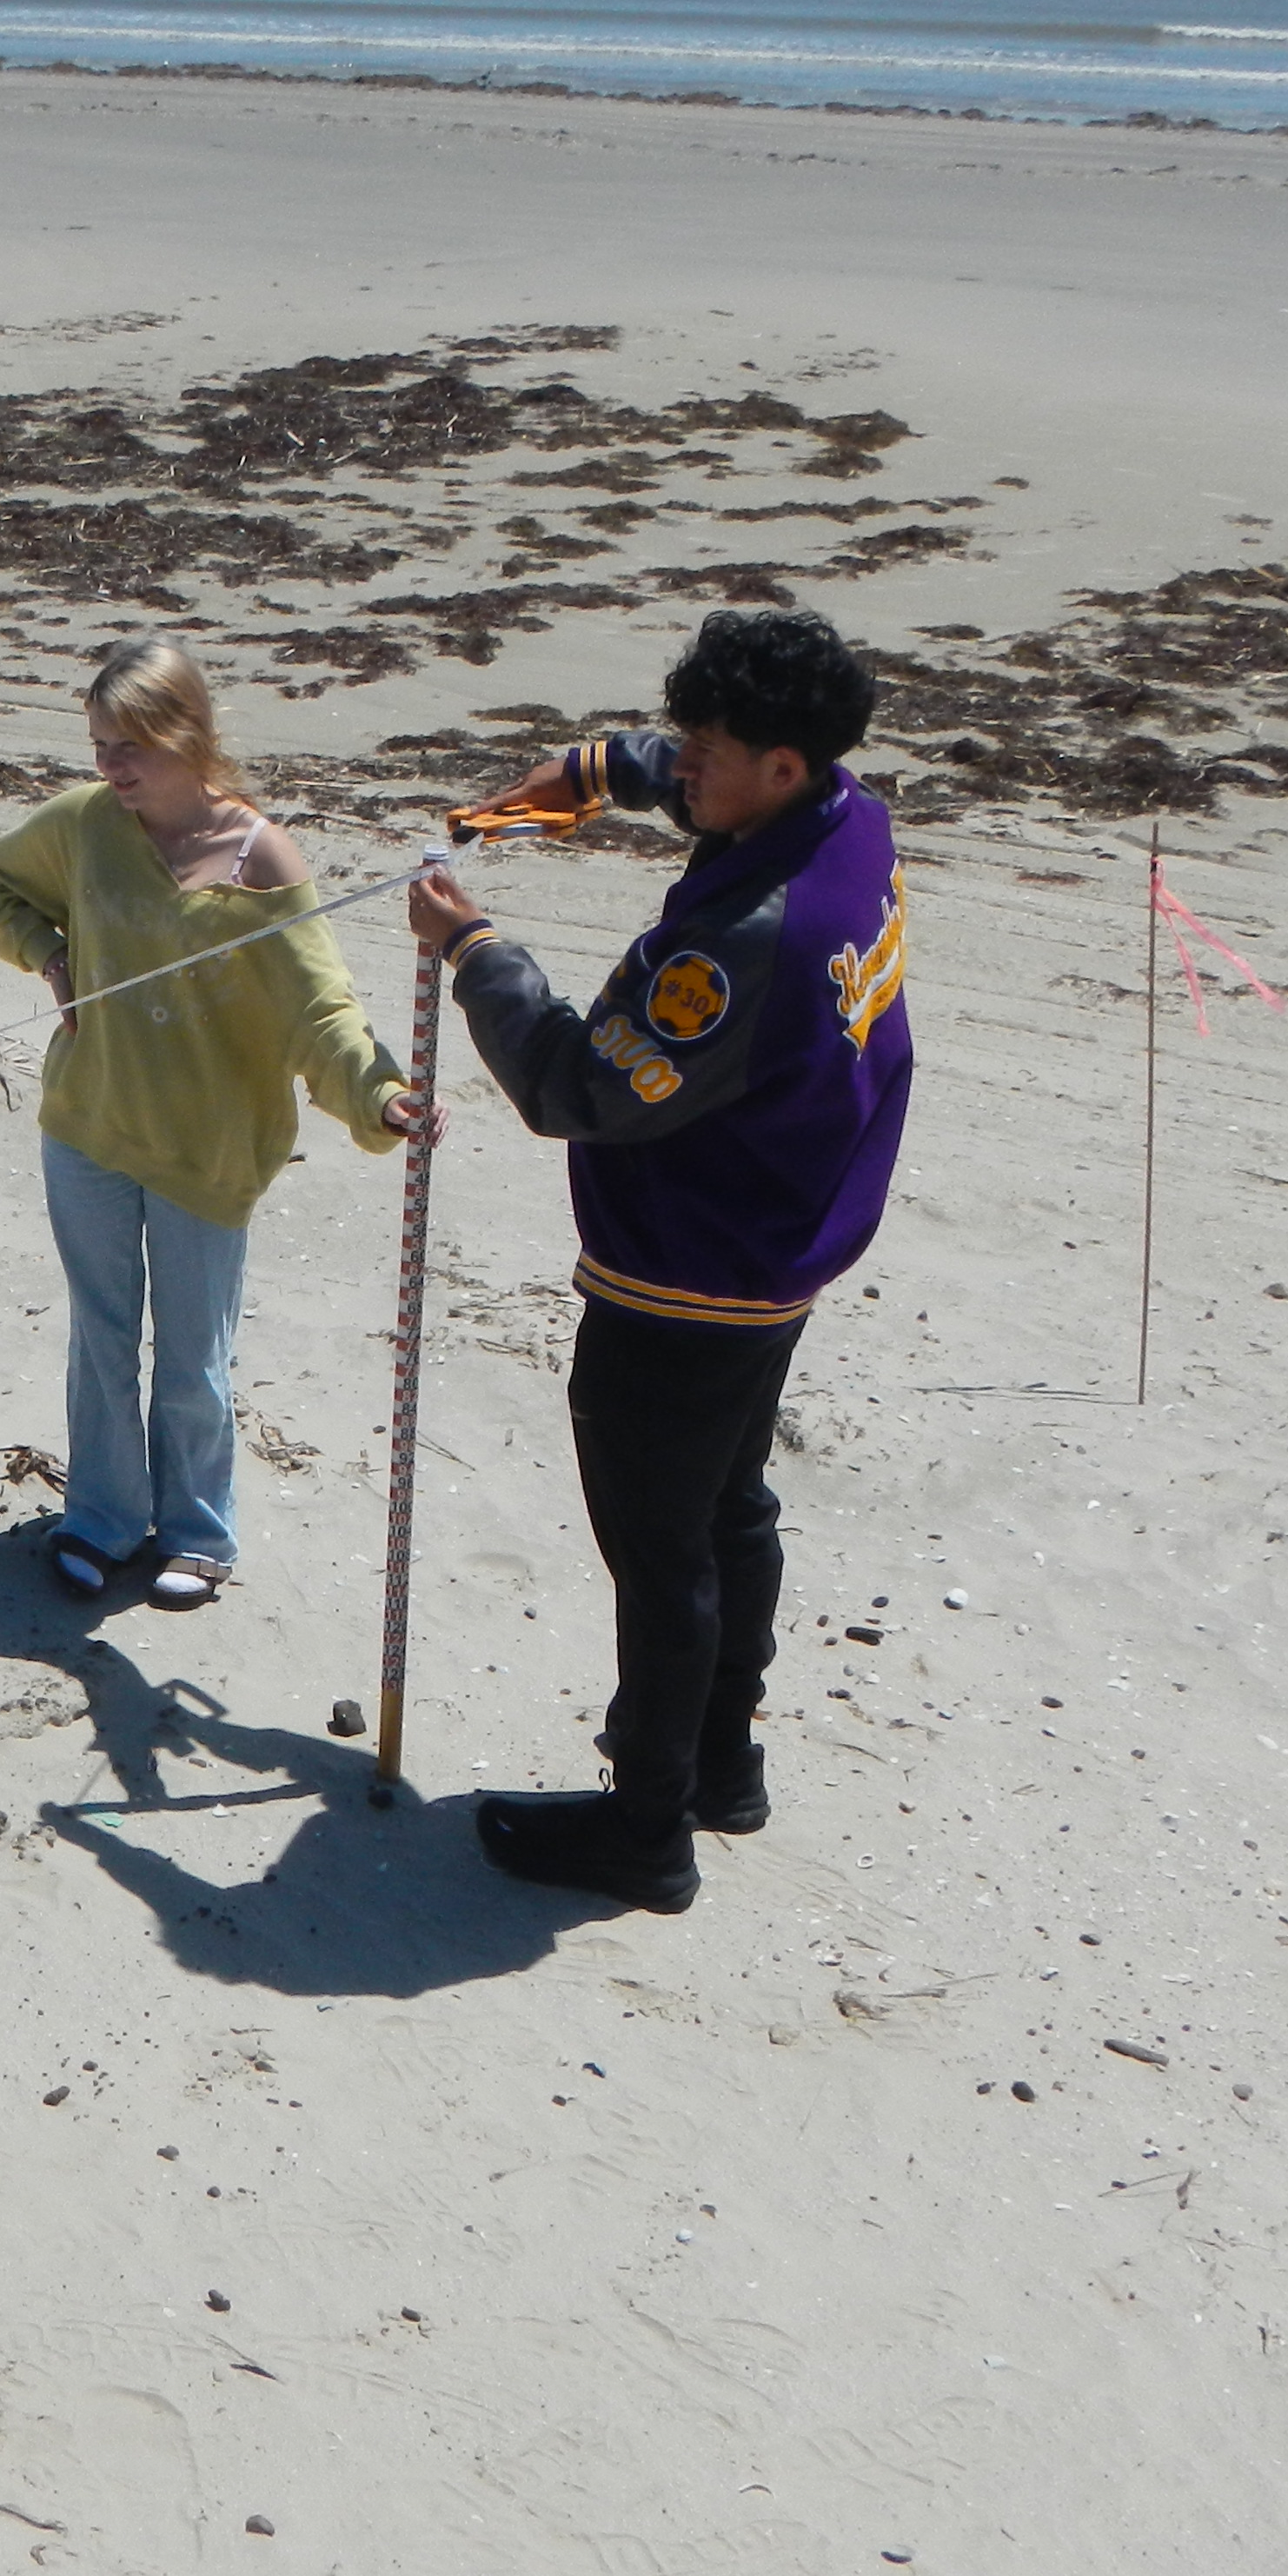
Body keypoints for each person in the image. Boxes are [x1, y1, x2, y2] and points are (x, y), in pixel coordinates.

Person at [408, 607, 913, 1914]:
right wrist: (589, 778)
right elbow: (706, 777)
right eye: (680, 739)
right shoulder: (849, 821)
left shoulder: (746, 942)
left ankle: (647, 1824)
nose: (682, 761)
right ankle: (720, 1766)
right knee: (732, 1508)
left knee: (663, 1550)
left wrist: (475, 954)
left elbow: (581, 1086)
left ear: (782, 766)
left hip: (686, 1276)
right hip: (784, 1245)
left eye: (703, 748)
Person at [0, 638, 430, 1610]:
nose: (111, 767)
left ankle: (197, 1532)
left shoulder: (260, 856)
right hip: (89, 1125)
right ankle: (99, 1518)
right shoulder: (88, 825)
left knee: (193, 1356)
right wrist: (49, 955)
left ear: (187, 735)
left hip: (210, 1152)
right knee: (101, 1338)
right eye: (99, 745)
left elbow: (320, 1010)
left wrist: (379, 1094)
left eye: (129, 745)